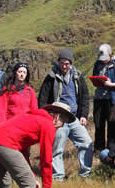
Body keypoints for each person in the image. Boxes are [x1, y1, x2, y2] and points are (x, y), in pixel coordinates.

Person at [37, 48, 93, 180]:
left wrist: (84, 115)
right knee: (57, 149)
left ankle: (85, 174)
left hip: (74, 119)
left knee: (86, 143)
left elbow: (84, 97)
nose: (64, 66)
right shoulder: (51, 77)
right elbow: (42, 99)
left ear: (71, 63)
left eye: (67, 64)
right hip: (58, 119)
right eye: (62, 63)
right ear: (58, 62)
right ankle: (58, 177)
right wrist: (48, 117)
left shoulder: (78, 76)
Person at [92, 44, 115, 151]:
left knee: (112, 126)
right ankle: (99, 149)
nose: (103, 61)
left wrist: (111, 84)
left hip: (112, 99)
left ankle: (112, 149)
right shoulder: (97, 64)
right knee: (99, 125)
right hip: (99, 98)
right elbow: (95, 75)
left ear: (111, 54)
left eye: (105, 58)